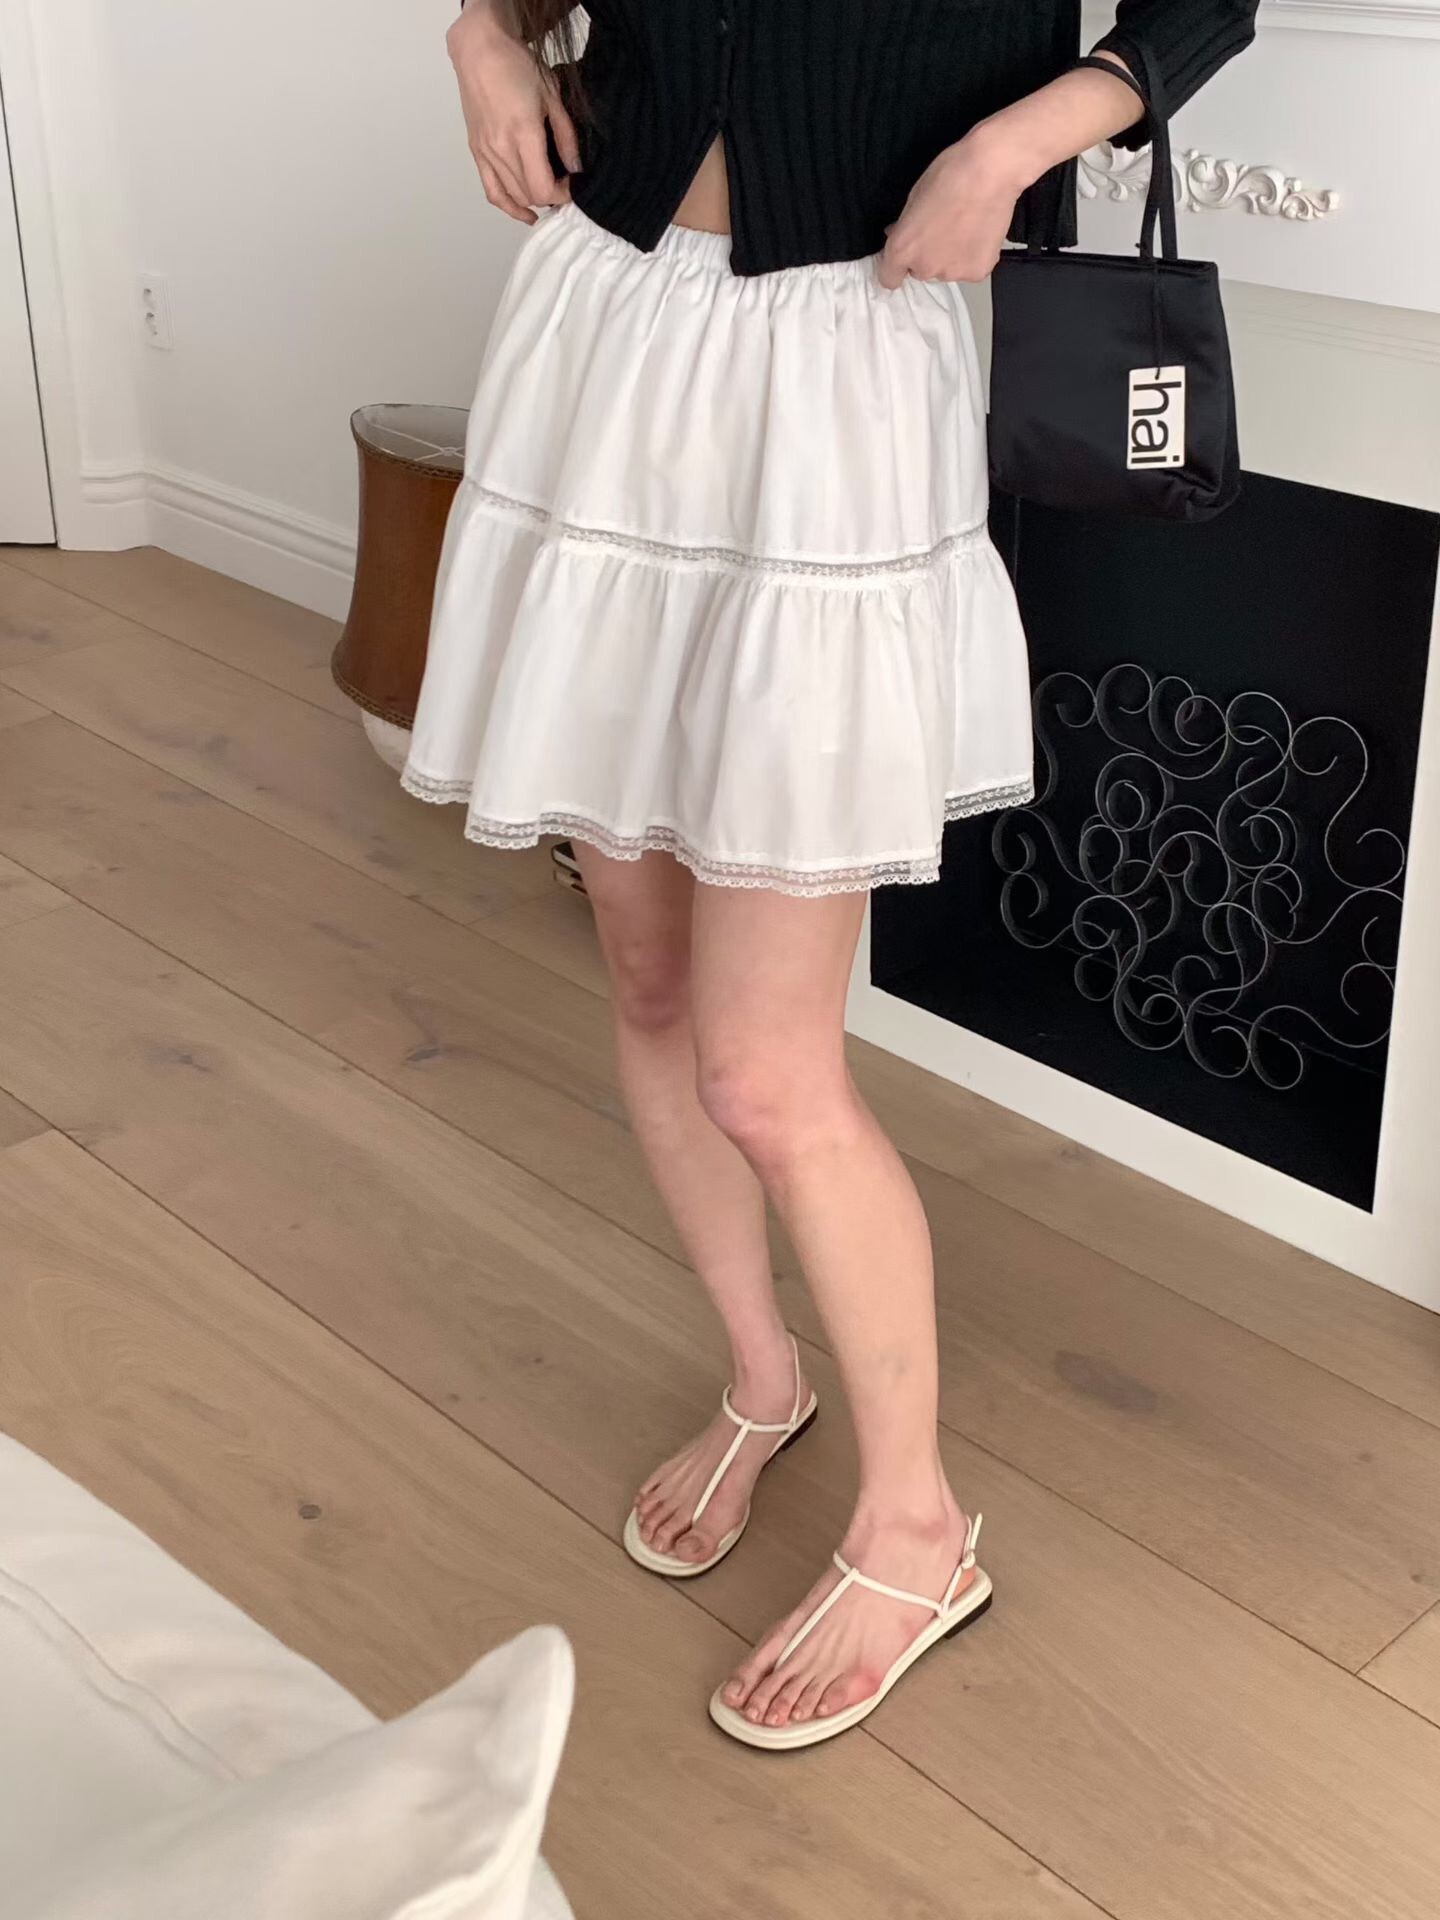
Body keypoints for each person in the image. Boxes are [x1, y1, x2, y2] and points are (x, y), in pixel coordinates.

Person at [404, 0, 1258, 1750]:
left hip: (850, 342)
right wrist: (480, 39)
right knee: (646, 976)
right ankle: (761, 1376)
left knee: (765, 1070)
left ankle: (919, 1531)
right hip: (608, 312)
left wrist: (1012, 146)